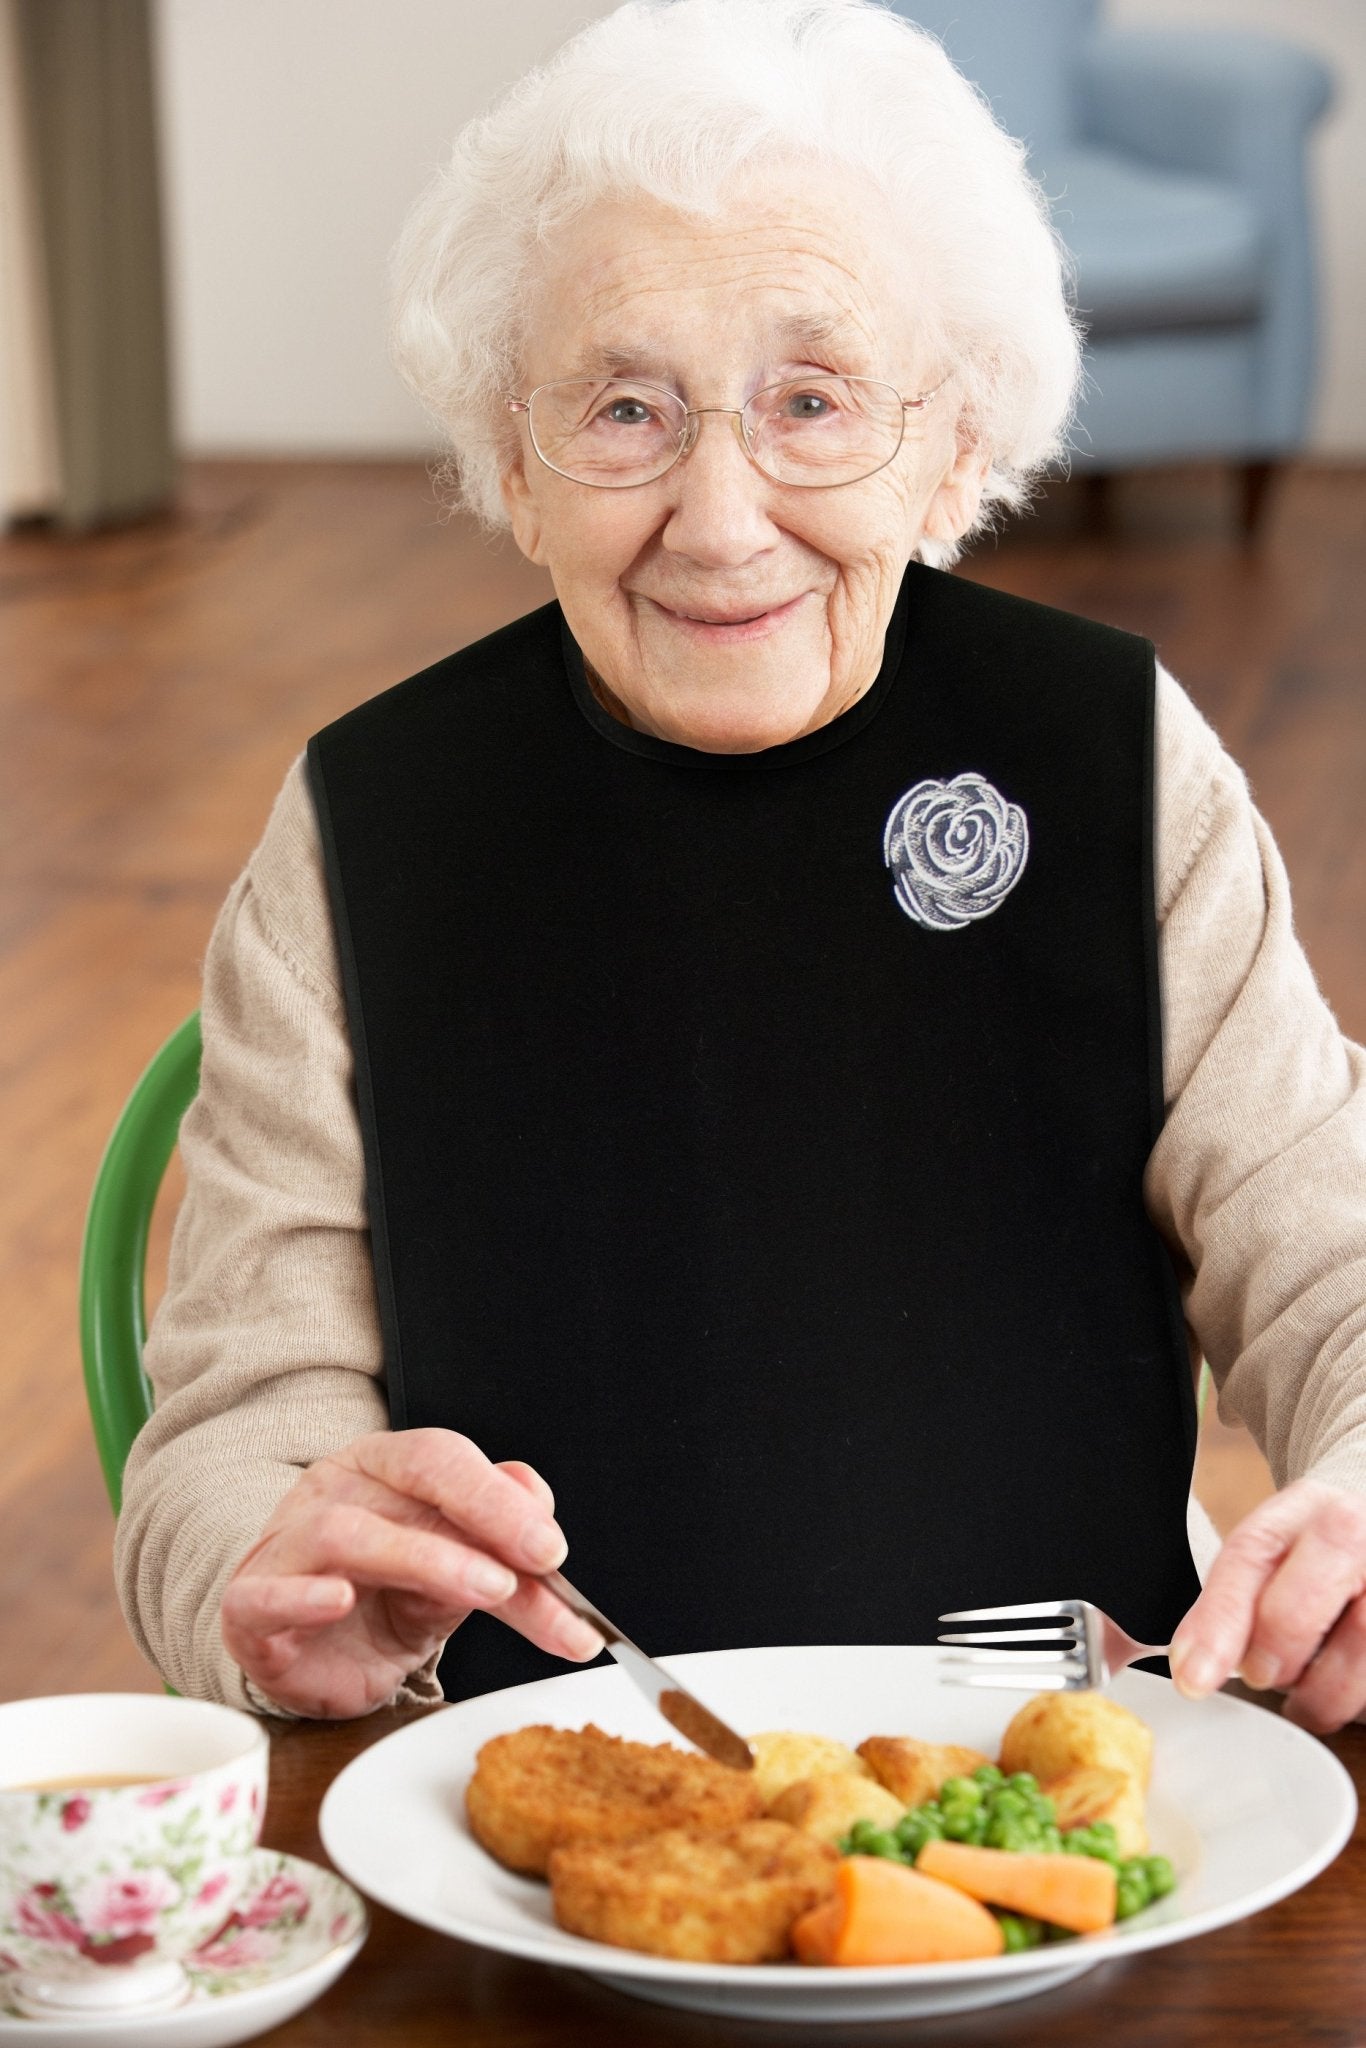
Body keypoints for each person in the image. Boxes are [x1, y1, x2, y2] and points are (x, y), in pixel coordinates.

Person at [115, 0, 1366, 1733]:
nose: (719, 518)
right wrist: (273, 1568)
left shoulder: (1112, 759)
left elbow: (1335, 1261)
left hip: (1062, 1791)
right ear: (507, 462)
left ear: (952, 446)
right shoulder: (361, 824)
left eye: (812, 400)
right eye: (624, 409)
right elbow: (234, 1429)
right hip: (520, 1817)